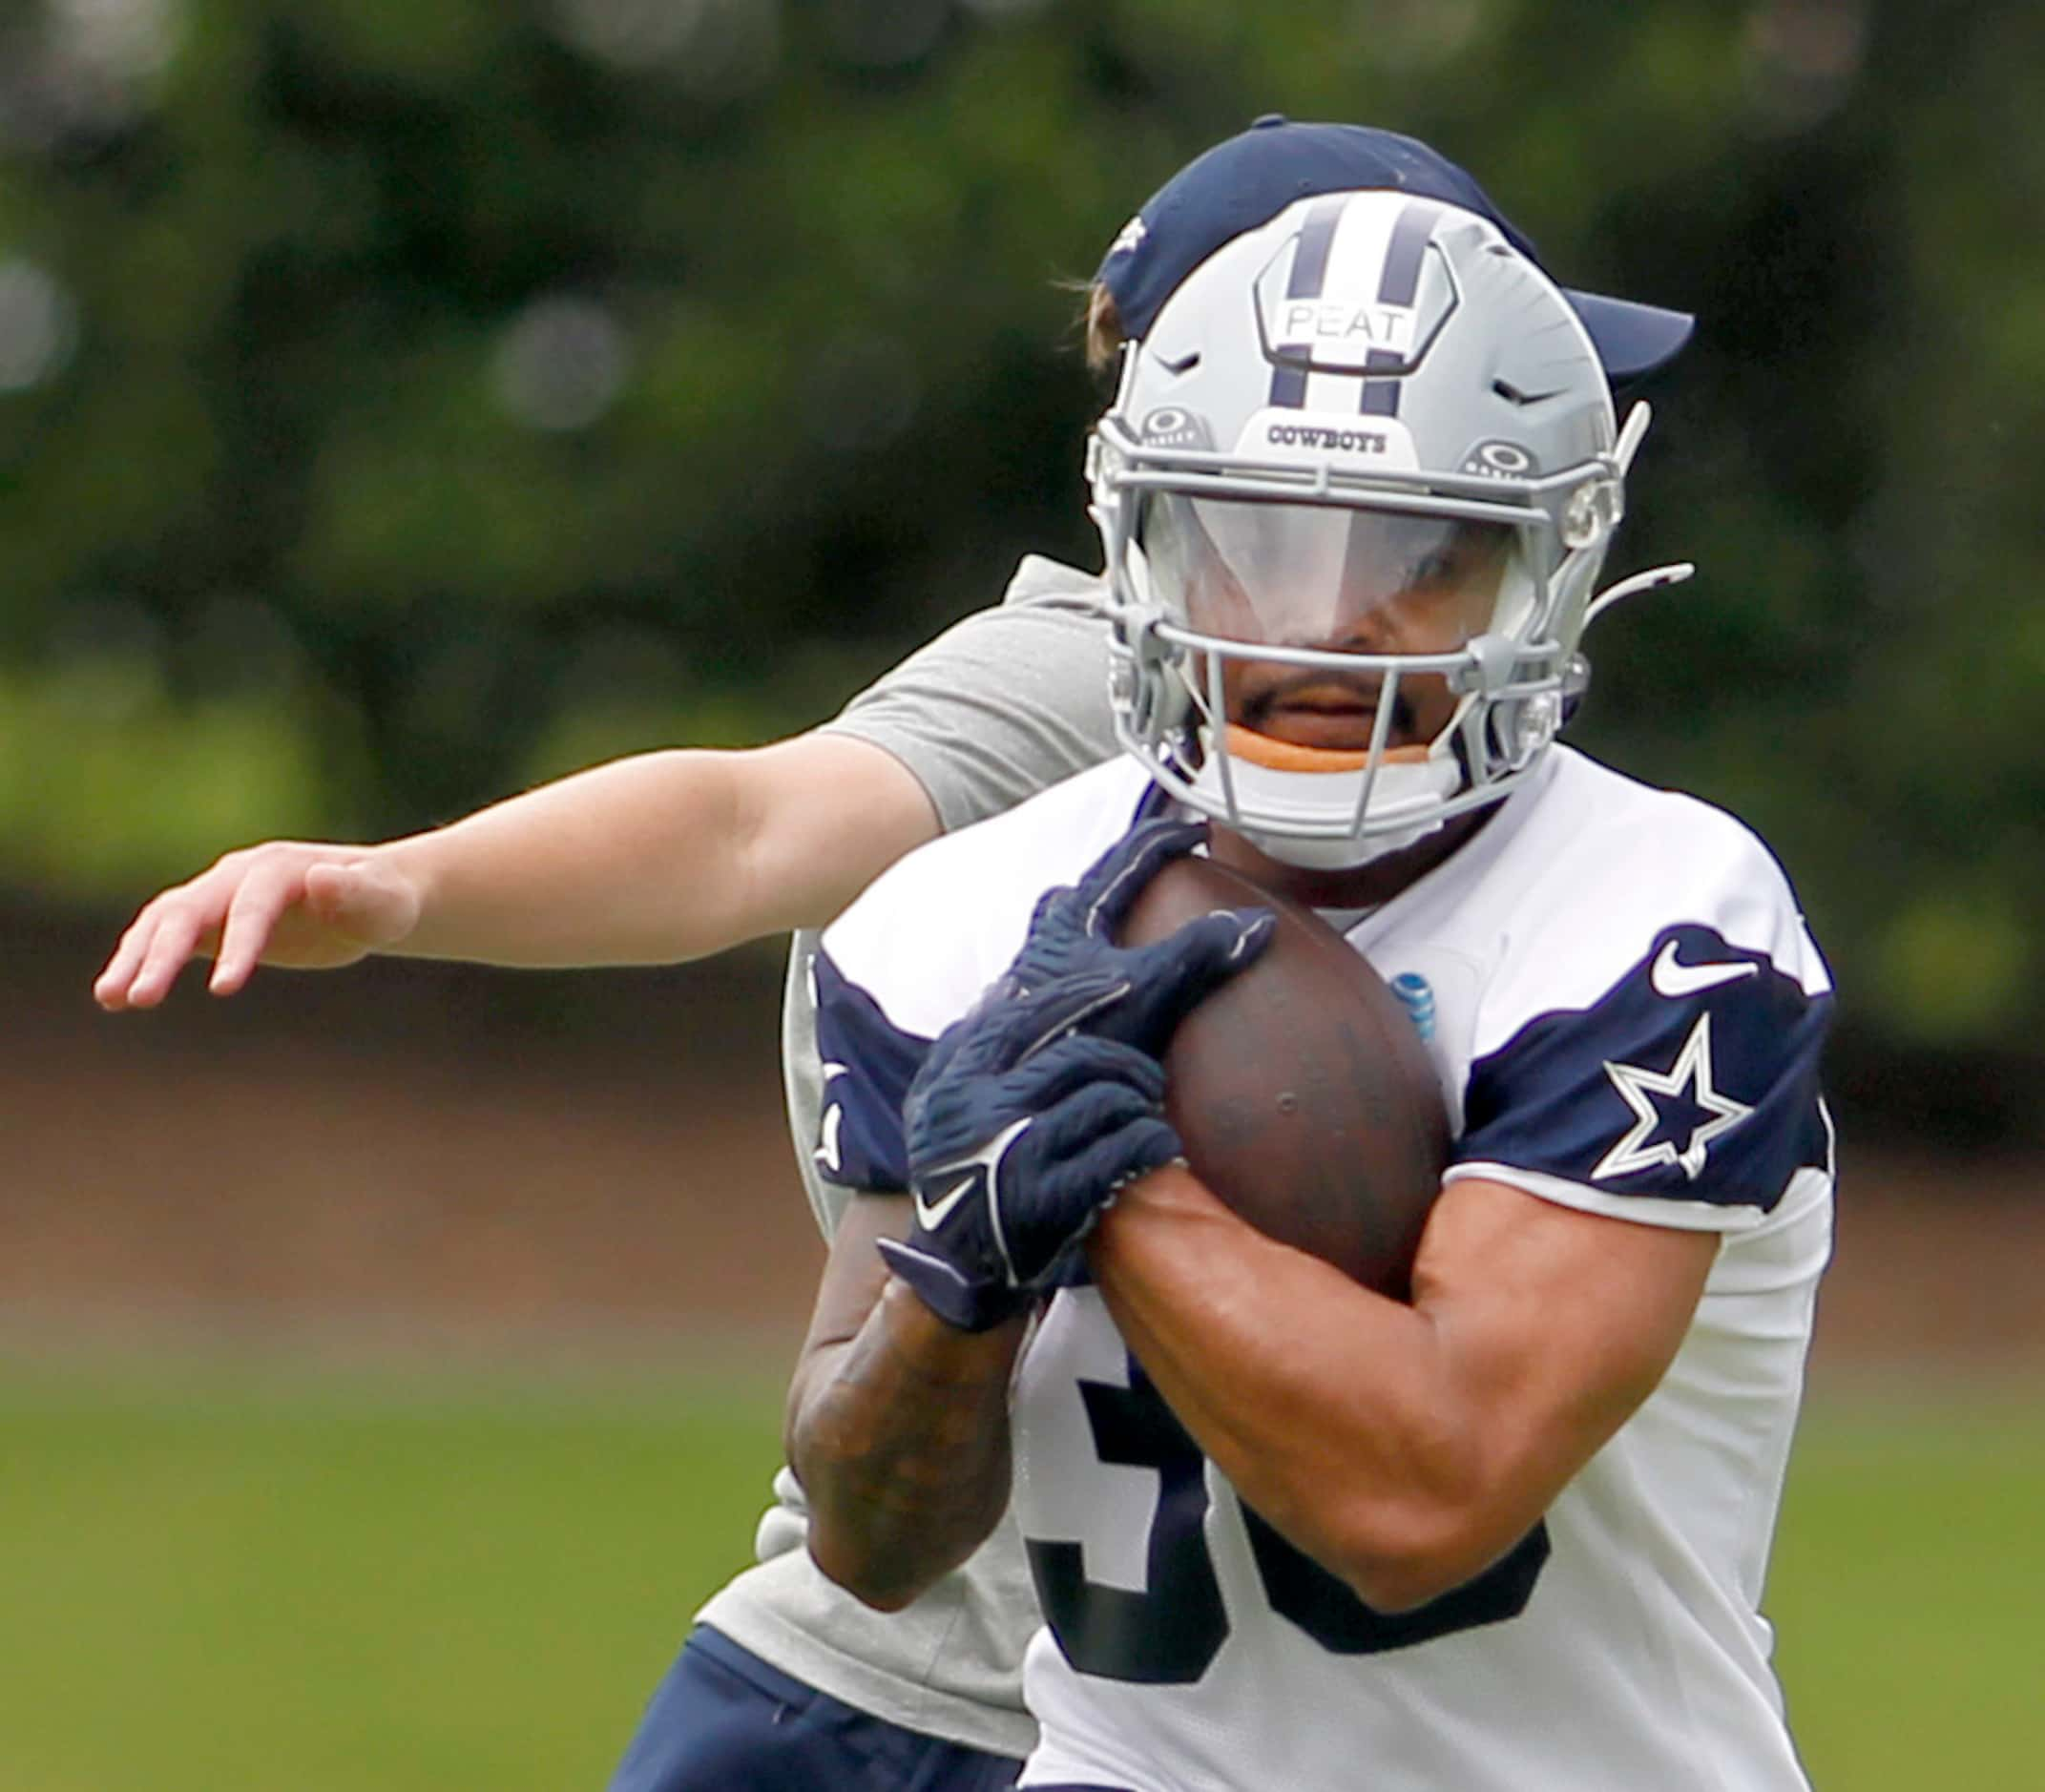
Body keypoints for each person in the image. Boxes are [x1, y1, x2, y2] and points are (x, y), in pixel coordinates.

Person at [94, 121, 1704, 1791]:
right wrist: (409, 887)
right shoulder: (1100, 689)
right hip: (922, 1690)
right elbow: (748, 823)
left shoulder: (1468, 784)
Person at [785, 174, 1831, 1792]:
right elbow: (869, 1538)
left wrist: (1111, 1172)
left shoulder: (1655, 921)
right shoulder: (957, 917)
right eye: (1254, 541)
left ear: (1551, 562)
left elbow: (1418, 1498)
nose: (1326, 626)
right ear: (1138, 535)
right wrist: (966, 1268)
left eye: (1422, 555)